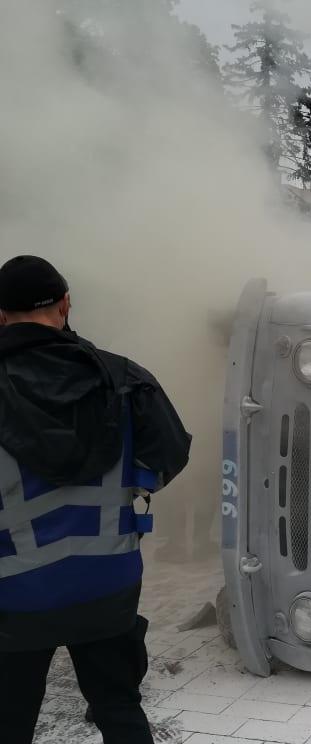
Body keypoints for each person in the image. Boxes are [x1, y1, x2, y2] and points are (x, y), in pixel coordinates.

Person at [0, 256, 191, 744]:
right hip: (106, 587)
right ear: (66, 305)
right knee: (118, 709)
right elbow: (169, 456)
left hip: (12, 599)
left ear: (0, 315)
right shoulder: (125, 379)